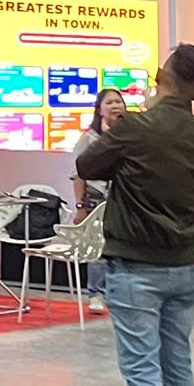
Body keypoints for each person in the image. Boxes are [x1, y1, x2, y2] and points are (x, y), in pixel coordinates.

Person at [77, 44, 194, 386]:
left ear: (161, 75)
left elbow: (87, 165)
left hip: (137, 264)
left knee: (142, 369)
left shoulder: (136, 127)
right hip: (184, 262)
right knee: (177, 364)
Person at [67, 90, 128, 316]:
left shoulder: (131, 135)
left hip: (124, 200)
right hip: (96, 200)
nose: (115, 105)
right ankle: (96, 293)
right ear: (99, 109)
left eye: (118, 101)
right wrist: (80, 206)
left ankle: (117, 294)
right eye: (109, 102)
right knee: (98, 249)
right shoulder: (90, 139)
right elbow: (78, 174)